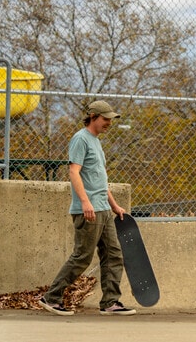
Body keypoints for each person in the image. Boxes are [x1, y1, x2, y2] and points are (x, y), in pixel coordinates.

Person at [40, 100, 135, 316]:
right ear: (93, 116)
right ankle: (51, 297)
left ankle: (110, 302)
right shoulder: (80, 139)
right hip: (89, 209)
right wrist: (84, 201)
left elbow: (99, 179)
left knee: (113, 255)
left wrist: (114, 205)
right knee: (82, 256)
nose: (109, 122)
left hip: (102, 209)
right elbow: (74, 171)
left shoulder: (96, 142)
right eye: (105, 118)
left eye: (110, 119)